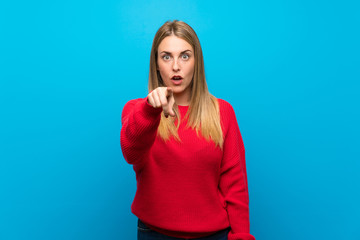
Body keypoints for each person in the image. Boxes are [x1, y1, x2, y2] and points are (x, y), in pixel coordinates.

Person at [120, 20, 255, 240]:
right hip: (154, 234)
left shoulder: (223, 112)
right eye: (166, 56)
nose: (176, 66)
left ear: (196, 62)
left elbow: (236, 186)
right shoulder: (136, 110)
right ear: (156, 64)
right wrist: (149, 110)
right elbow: (131, 153)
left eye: (184, 56)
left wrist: (241, 236)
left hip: (214, 235)